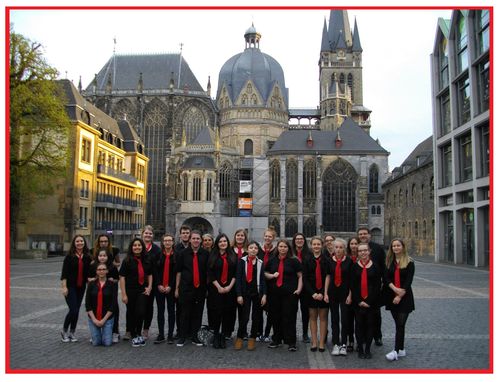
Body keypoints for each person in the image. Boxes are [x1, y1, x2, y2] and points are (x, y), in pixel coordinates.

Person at [265, 239, 302, 352]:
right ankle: (276, 339)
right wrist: (271, 276)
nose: (282, 248)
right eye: (280, 246)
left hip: (290, 294)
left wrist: (299, 289)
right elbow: (265, 273)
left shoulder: (294, 261)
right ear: (278, 248)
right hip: (274, 294)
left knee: (289, 317)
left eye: (285, 247)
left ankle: (291, 342)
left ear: (288, 248)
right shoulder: (272, 260)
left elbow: (300, 276)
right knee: (275, 317)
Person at [175, 230, 209, 347]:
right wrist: (176, 288)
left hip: (200, 289)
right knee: (184, 313)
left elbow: (207, 272)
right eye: (193, 238)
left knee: (198, 313)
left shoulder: (205, 254)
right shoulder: (182, 254)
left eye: (197, 239)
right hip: (186, 288)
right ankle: (182, 336)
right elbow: (178, 272)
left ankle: (195, 336)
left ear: (201, 240)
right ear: (190, 240)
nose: (195, 240)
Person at [384, 239, 415, 361]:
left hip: (405, 296)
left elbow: (408, 281)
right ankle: (401, 349)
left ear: (403, 247)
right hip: (392, 295)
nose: (396, 248)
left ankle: (395, 351)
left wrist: (400, 294)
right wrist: (394, 289)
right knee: (398, 324)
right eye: (394, 246)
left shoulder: (409, 262)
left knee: (400, 324)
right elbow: (386, 278)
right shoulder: (388, 262)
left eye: (398, 245)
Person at [119, 238, 153, 347]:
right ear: (131, 248)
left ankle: (138, 333)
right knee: (131, 311)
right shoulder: (127, 260)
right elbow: (122, 277)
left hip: (142, 289)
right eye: (135, 245)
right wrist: (123, 294)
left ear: (142, 247)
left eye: (139, 245)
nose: (137, 247)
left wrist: (149, 287)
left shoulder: (147, 259)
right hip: (130, 290)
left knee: (141, 311)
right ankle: (133, 334)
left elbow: (150, 274)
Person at [350, 243, 381, 359]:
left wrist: (369, 301)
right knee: (358, 325)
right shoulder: (354, 266)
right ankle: (360, 349)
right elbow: (352, 285)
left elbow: (378, 285)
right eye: (360, 251)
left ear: (369, 251)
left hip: (371, 302)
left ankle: (368, 348)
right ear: (357, 253)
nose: (363, 253)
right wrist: (359, 300)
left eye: (365, 250)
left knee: (370, 325)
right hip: (358, 302)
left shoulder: (376, 266)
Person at [234, 241, 267, 351]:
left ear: (258, 250)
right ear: (247, 249)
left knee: (256, 317)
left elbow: (263, 280)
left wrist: (264, 295)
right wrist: (239, 295)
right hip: (244, 293)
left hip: (257, 293)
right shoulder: (241, 262)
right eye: (251, 248)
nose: (253, 250)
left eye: (255, 248)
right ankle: (239, 337)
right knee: (245, 317)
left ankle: (252, 338)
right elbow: (238, 279)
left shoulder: (260, 262)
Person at [207, 233, 237, 349]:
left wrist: (229, 286)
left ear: (228, 243)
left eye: (225, 241)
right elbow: (210, 273)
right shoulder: (212, 255)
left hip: (230, 289)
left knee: (227, 313)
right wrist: (218, 286)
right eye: (220, 242)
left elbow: (235, 273)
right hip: (215, 290)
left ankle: (224, 335)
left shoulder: (232, 255)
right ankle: (215, 336)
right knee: (215, 312)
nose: (223, 243)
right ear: (217, 244)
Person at [60, 235, 92, 343]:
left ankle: (72, 332)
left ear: (84, 243)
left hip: (81, 287)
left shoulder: (87, 256)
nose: (79, 243)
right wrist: (64, 287)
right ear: (74, 243)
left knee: (76, 310)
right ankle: (64, 331)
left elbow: (89, 272)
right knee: (73, 309)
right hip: (70, 287)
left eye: (81, 241)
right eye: (77, 241)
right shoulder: (69, 257)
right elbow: (64, 273)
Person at [324, 238, 352, 356]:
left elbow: (352, 280)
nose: (338, 250)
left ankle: (344, 343)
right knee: (334, 319)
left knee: (345, 319)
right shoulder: (329, 261)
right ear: (333, 248)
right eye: (336, 247)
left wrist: (350, 295)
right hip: (333, 293)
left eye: (341, 247)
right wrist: (325, 293)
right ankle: (336, 343)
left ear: (344, 249)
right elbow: (328, 277)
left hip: (345, 293)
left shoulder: (349, 261)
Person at [357, 227, 385, 346]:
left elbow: (384, 267)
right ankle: (362, 337)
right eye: (360, 234)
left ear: (370, 235)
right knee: (360, 315)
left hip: (374, 287)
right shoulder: (356, 247)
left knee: (376, 314)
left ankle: (377, 336)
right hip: (359, 287)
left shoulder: (378, 248)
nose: (363, 235)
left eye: (365, 234)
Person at [92, 234, 122, 343]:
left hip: (111, 286)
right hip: (98, 285)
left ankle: (115, 331)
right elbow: (91, 272)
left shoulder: (113, 251)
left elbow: (117, 274)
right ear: (98, 242)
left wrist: (113, 279)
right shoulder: (94, 253)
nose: (103, 243)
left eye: (105, 241)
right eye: (101, 241)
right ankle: (96, 331)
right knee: (98, 306)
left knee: (113, 307)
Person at [302, 236, 329, 352]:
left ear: (322, 245)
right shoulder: (307, 259)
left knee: (323, 318)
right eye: (314, 244)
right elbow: (305, 278)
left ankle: (321, 342)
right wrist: (313, 293)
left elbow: (328, 276)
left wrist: (323, 293)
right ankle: (314, 341)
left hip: (324, 292)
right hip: (311, 293)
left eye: (318, 244)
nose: (316, 246)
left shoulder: (326, 259)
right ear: (311, 246)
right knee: (312, 318)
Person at [152, 234, 177, 344]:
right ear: (162, 242)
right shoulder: (157, 255)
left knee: (171, 311)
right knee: (160, 311)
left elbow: (176, 273)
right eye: (165, 241)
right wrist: (158, 285)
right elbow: (155, 272)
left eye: (169, 240)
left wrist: (170, 286)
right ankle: (161, 334)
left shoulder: (176, 255)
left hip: (170, 288)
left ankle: (170, 335)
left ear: (173, 242)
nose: (167, 242)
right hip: (160, 288)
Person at [85, 263, 116, 346]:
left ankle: (107, 333)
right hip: (93, 317)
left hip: (107, 318)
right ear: (96, 272)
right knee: (96, 343)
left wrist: (103, 320)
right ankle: (98, 334)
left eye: (103, 269)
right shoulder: (91, 284)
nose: (101, 271)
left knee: (107, 343)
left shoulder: (112, 284)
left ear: (107, 271)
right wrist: (94, 319)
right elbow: (87, 304)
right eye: (99, 269)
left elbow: (113, 305)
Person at [141, 225, 162, 340]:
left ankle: (146, 329)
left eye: (150, 233)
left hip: (152, 282)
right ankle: (134, 328)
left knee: (149, 306)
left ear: (152, 235)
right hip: (138, 282)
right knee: (138, 306)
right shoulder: (137, 246)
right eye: (146, 233)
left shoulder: (156, 249)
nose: (148, 235)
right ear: (142, 234)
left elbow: (158, 268)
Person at [257, 227, 276, 342]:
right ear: (263, 237)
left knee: (271, 310)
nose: (267, 238)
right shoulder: (258, 249)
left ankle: (267, 333)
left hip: (272, 283)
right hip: (259, 283)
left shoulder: (276, 251)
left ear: (273, 238)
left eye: (270, 236)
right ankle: (259, 332)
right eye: (266, 236)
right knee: (259, 309)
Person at [292, 232, 311, 343]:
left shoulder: (309, 253)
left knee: (305, 311)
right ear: (294, 241)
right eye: (297, 239)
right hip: (293, 285)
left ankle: (304, 333)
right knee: (292, 310)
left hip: (306, 286)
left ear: (304, 241)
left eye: (301, 239)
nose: (299, 240)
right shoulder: (291, 252)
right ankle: (292, 333)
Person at [345, 236, 360, 351]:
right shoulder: (347, 259)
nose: (354, 246)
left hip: (361, 292)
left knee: (360, 318)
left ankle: (361, 340)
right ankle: (350, 340)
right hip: (348, 292)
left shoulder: (364, 257)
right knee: (348, 318)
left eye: (356, 243)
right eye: (352, 244)